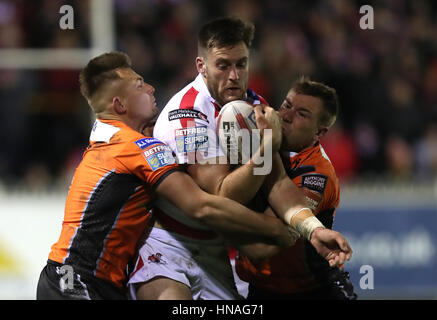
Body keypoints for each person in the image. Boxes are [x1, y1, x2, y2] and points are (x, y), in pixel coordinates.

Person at [36, 51, 305, 300]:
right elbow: (202, 206)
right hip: (79, 281)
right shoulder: (138, 147)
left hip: (71, 278)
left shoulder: (105, 140)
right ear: (119, 104)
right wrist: (276, 229)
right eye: (140, 85)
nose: (151, 88)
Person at [129, 17, 352, 300]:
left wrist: (311, 228)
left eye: (241, 64)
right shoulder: (187, 114)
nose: (234, 76)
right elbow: (223, 194)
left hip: (215, 250)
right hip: (170, 244)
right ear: (202, 66)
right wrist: (267, 146)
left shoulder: (254, 105)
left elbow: (277, 181)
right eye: (223, 65)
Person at [235, 78, 358, 300]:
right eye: (287, 105)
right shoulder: (261, 139)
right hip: (263, 287)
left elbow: (260, 248)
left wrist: (208, 212)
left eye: (302, 114)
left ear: (319, 132)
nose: (286, 116)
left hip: (313, 290)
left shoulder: (317, 175)